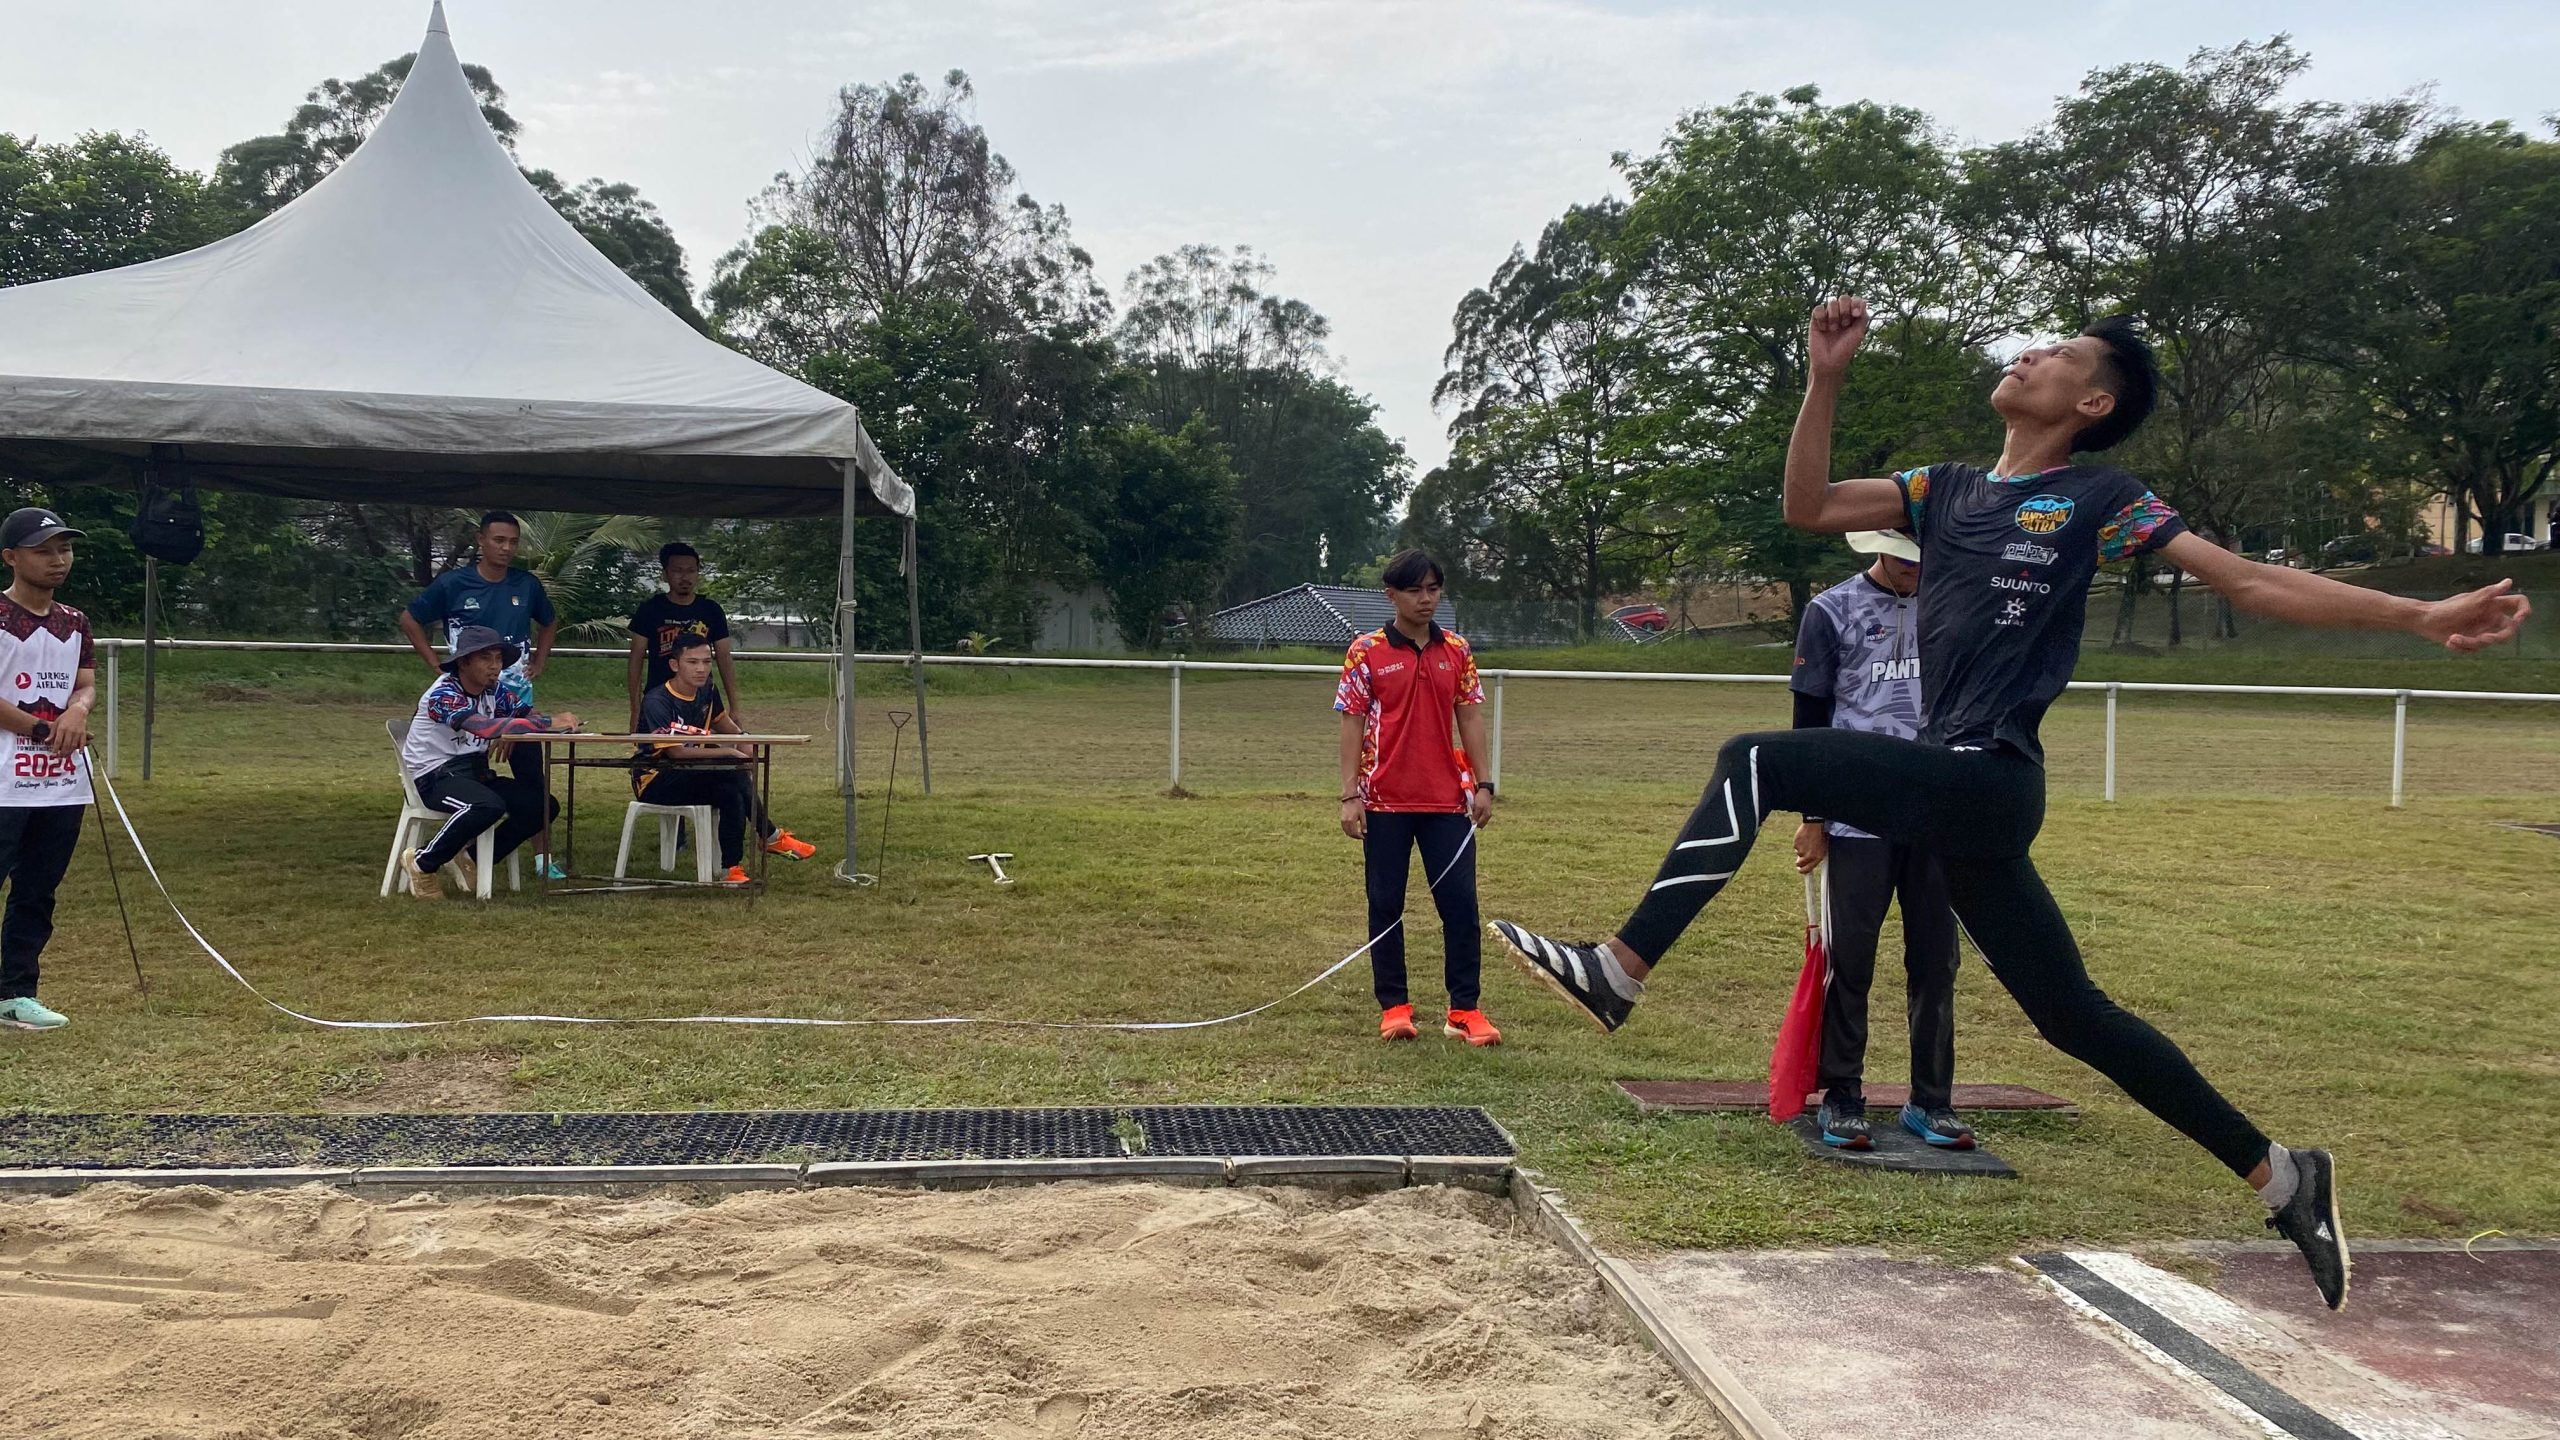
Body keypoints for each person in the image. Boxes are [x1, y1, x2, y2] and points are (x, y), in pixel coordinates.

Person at [1492, 296, 2531, 1310]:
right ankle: (2284, 1177)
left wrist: (2418, 615)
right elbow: (1808, 507)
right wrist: (1823, 380)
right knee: (2070, 1015)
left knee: (1754, 759)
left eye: (2059, 354)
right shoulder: (1940, 490)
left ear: (2090, 404)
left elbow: (2249, 583)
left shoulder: (2102, 497)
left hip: (1987, 776)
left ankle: (1619, 970)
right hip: (1955, 790)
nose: (2030, 354)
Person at [1789, 530, 1967, 1151]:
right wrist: (1814, 815)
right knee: (1850, 960)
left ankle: (1932, 1100)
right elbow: (1809, 718)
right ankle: (1842, 1094)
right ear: (1879, 550)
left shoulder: (1953, 602)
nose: (1914, 570)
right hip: (1855, 813)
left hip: (1935, 811)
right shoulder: (1830, 610)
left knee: (1937, 961)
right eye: (1903, 559)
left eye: (1923, 560)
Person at [1337, 550, 1500, 1046]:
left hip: (1447, 802)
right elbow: (1352, 722)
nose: (1425, 599)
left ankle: (1464, 1010)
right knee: (1386, 904)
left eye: (1433, 589)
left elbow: (1469, 715)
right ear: (1392, 595)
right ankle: (1395, 1007)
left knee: (1460, 906)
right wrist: (1349, 795)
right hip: (1383, 802)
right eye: (1414, 590)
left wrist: (1485, 783)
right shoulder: (1365, 651)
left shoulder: (1457, 650)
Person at [398, 511, 564, 877]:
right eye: (499, 540)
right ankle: (429, 861)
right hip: (456, 739)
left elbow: (549, 621)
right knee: (485, 799)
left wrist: (539, 665)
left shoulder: (526, 585)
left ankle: (525, 858)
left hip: (507, 704)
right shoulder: (454, 584)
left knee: (536, 792)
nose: (506, 548)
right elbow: (409, 618)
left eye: (513, 542)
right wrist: (434, 663)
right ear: (481, 541)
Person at [0, 508, 98, 1031]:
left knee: (37, 892)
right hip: (3, 780)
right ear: (11, 558)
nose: (58, 560)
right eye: (43, 551)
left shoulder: (75, 621)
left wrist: (77, 712)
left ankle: (16, 992)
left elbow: (84, 682)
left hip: (58, 783)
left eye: (64, 549)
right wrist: (42, 729)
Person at [397, 625, 578, 900]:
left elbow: (526, 713)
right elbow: (483, 727)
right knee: (486, 805)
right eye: (485, 658)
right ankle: (422, 862)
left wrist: (542, 722)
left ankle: (471, 859)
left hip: (476, 774)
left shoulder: (495, 690)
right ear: (463, 662)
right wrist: (548, 722)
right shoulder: (443, 693)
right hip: (434, 777)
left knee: (542, 806)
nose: (495, 666)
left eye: (498, 658)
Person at [633, 633, 816, 884]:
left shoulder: (708, 690)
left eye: (707, 662)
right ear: (675, 665)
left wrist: (744, 739)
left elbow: (726, 726)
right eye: (692, 662)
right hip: (655, 778)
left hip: (691, 774)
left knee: (731, 793)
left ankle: (731, 869)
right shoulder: (657, 700)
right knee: (732, 770)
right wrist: (729, 752)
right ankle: (771, 836)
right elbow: (677, 753)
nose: (701, 669)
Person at [626, 542, 743, 734]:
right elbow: (635, 659)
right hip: (661, 697)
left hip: (701, 698)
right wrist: (635, 709)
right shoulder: (650, 610)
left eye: (691, 571)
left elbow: (724, 657)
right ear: (665, 574)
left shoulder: (711, 610)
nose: (685, 577)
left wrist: (734, 706)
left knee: (723, 743)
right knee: (664, 748)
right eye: (677, 570)